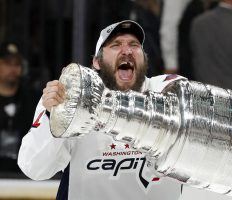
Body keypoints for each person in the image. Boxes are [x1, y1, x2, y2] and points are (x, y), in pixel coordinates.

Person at [18, 20, 183, 200]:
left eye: (134, 45)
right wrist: (54, 117)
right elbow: (34, 168)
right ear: (96, 62)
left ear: (144, 58)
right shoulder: (68, 97)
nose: (127, 50)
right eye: (116, 44)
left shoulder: (171, 92)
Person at [0, 42, 38, 173]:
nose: (13, 69)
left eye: (16, 64)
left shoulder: (32, 98)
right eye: (7, 63)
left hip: (23, 173)